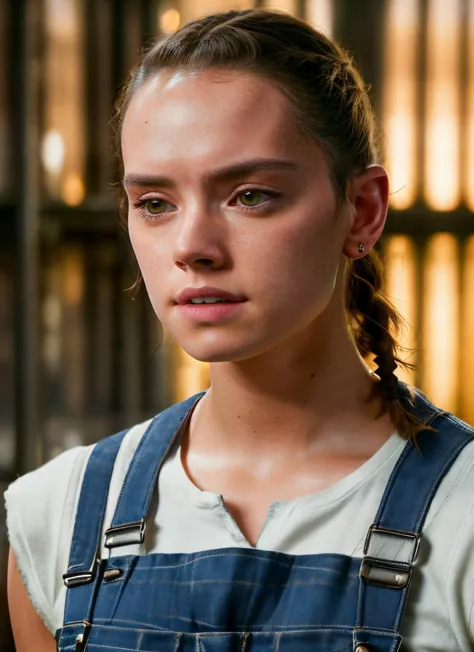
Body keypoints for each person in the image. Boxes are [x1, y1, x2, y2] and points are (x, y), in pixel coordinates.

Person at [5, 8, 474, 652]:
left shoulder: (464, 514)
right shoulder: (56, 512)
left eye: (250, 195)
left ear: (361, 211)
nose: (193, 246)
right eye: (156, 204)